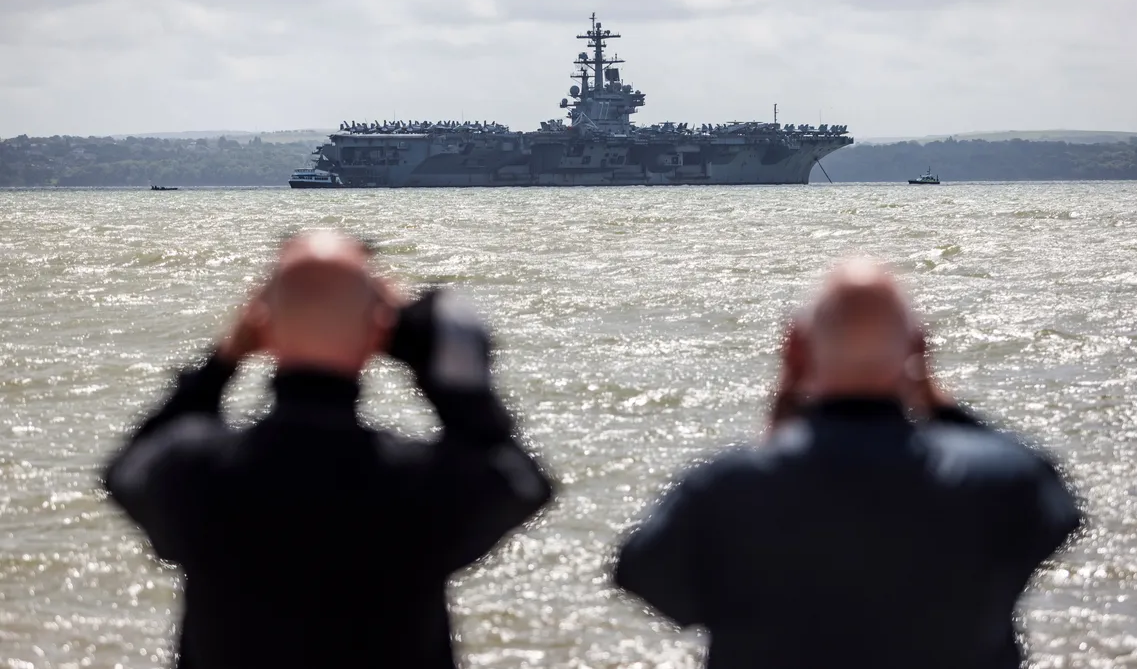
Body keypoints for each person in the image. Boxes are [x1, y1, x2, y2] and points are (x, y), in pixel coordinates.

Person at [103, 230, 554, 669]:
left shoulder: (194, 472)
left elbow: (125, 469)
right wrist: (434, 363)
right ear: (381, 335)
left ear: (259, 325)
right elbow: (520, 481)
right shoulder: (421, 484)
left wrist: (222, 360)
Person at [613, 258, 1083, 669]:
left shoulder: (724, 489)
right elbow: (1056, 503)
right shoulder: (1003, 482)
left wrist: (779, 424)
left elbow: (643, 576)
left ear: (795, 349)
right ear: (917, 346)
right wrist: (936, 398)